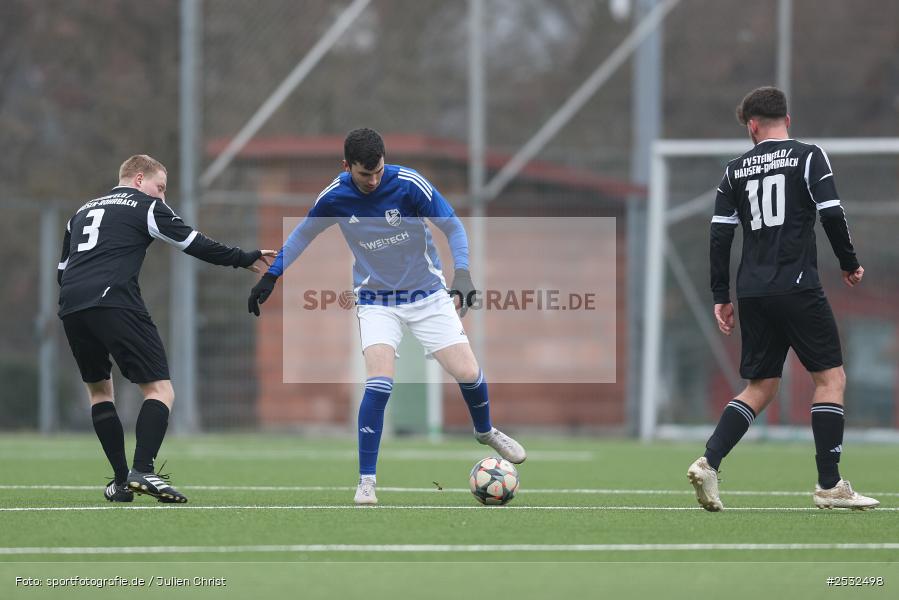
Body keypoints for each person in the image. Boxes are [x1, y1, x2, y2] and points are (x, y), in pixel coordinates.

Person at [248, 128, 526, 505]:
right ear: (347, 166)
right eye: (366, 174)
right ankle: (367, 481)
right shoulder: (335, 196)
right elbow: (301, 236)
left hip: (427, 295)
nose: (374, 180)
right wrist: (273, 276)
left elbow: (452, 225)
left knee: (468, 372)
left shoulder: (409, 183)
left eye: (378, 171)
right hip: (376, 300)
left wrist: (461, 272)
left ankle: (485, 431)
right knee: (379, 383)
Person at [687, 87, 878, 511]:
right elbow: (832, 212)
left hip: (752, 291)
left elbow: (719, 235)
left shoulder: (734, 171)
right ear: (787, 120)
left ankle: (709, 461)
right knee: (830, 380)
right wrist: (849, 262)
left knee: (760, 386)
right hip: (797, 285)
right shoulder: (809, 156)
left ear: (752, 126)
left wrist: (721, 294)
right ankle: (829, 484)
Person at [58, 154, 275, 503]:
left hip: (71, 306)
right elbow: (194, 242)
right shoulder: (145, 206)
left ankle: (121, 482)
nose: (163, 196)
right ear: (139, 179)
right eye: (160, 187)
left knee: (99, 392)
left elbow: (62, 271)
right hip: (115, 300)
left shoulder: (80, 213)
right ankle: (143, 469)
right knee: (160, 390)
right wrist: (242, 257)